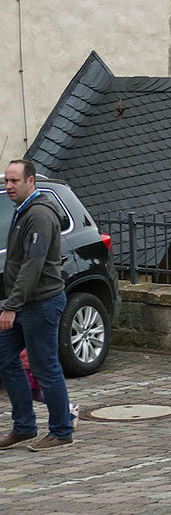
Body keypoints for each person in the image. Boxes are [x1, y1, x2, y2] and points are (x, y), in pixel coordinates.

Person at [0, 160, 74, 451]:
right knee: (6, 356)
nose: (8, 186)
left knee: (45, 367)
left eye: (14, 181)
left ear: (31, 181)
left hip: (41, 303)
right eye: (7, 181)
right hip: (24, 303)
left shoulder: (40, 215)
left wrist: (10, 306)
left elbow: (33, 264)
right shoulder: (23, 211)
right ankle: (24, 427)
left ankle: (61, 431)